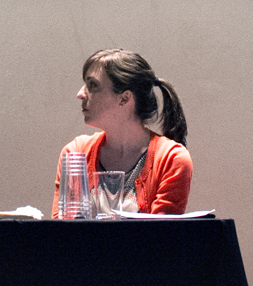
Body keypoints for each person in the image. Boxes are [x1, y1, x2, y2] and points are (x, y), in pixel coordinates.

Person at [51, 49, 192, 216]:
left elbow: (160, 238)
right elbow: (61, 232)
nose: (80, 94)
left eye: (93, 85)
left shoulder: (171, 159)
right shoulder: (75, 153)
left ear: (124, 98)